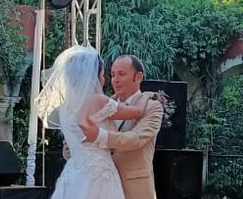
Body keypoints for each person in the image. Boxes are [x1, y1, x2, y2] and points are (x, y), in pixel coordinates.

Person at [35, 45, 146, 199]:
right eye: (102, 75)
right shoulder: (98, 100)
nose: (104, 79)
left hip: (74, 172)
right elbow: (137, 112)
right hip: (98, 173)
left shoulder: (66, 106)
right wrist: (151, 97)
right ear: (92, 77)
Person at [80, 54, 164, 199]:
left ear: (138, 77)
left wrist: (99, 136)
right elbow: (74, 145)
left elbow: (136, 139)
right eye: (112, 75)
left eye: (121, 74)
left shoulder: (152, 106)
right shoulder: (101, 104)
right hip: (99, 185)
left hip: (135, 189)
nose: (115, 80)